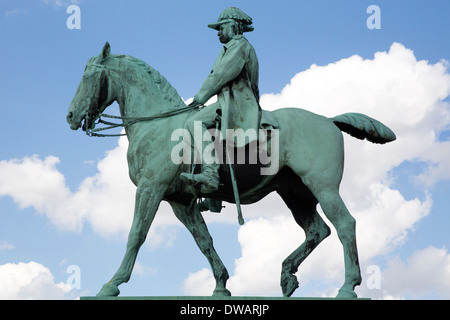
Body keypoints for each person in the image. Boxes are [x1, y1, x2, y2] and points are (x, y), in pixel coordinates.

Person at [180, 7, 261, 194]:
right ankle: (213, 197)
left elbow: (220, 75)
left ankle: (210, 175)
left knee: (195, 122)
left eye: (221, 28)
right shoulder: (232, 47)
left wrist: (199, 98)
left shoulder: (239, 46)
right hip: (230, 100)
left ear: (233, 26)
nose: (218, 33)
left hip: (239, 101)